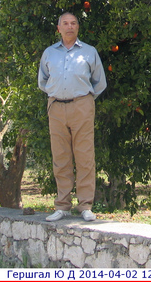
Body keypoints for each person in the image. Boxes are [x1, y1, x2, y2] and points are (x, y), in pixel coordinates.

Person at [38, 12, 107, 222]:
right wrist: (56, 94)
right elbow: (43, 81)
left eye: (73, 23)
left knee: (85, 156)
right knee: (60, 158)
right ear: (58, 28)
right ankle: (63, 206)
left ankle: (85, 205)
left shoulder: (89, 52)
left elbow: (99, 82)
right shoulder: (49, 53)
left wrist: (84, 100)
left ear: (78, 27)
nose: (70, 27)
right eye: (65, 23)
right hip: (56, 107)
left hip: (82, 106)